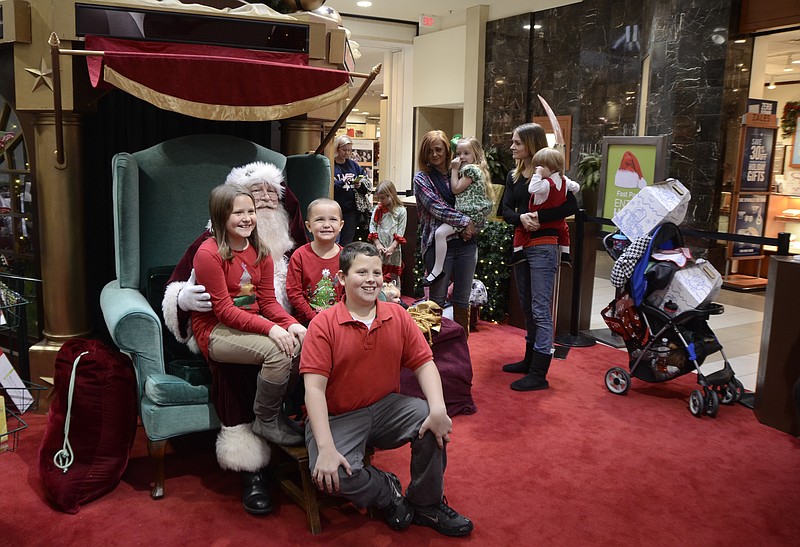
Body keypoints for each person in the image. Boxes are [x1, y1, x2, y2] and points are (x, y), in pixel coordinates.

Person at [161, 161, 306, 516]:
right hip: (224, 328)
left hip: (261, 323)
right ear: (224, 213)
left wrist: (294, 325)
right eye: (255, 194)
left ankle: (312, 438)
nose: (262, 204)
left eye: (270, 196)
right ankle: (251, 468)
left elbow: (277, 300)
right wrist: (182, 298)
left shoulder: (280, 245)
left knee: (305, 347)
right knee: (236, 368)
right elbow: (212, 305)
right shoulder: (209, 248)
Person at [301, 242, 474, 537]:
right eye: (361, 272)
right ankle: (386, 490)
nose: (371, 279)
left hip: (385, 407)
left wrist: (438, 409)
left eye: (377, 272)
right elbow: (314, 389)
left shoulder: (398, 315)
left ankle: (426, 505)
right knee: (333, 476)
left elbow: (424, 364)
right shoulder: (323, 324)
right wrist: (327, 448)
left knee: (433, 423)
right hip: (337, 417)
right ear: (342, 278)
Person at [192, 183, 307, 448]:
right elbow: (224, 311)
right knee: (278, 351)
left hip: (248, 322)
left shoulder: (262, 251)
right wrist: (271, 329)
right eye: (237, 213)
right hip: (216, 328)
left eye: (250, 211)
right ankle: (265, 419)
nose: (247, 219)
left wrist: (291, 324)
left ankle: (276, 412)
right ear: (222, 216)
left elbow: (267, 302)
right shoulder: (208, 254)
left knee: (301, 343)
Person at [501, 123, 578, 391]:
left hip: (544, 245)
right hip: (522, 244)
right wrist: (522, 217)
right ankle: (529, 360)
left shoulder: (552, 175)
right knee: (527, 307)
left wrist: (538, 218)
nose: (512, 147)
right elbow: (506, 209)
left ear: (531, 145)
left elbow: (571, 206)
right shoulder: (514, 176)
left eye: (517, 143)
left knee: (540, 309)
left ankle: (538, 372)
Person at [414, 130, 478, 337]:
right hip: (437, 244)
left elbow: (477, 201)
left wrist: (474, 223)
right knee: (436, 300)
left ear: (447, 151)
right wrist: (465, 221)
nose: (434, 154)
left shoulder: (463, 172)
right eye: (430, 151)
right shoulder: (421, 178)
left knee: (462, 300)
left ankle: (461, 351)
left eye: (439, 149)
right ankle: (431, 353)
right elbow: (436, 207)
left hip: (466, 244)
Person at [423, 136, 493, 286]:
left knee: (440, 233)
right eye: (459, 153)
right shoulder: (475, 169)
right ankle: (437, 269)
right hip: (468, 216)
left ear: (476, 154)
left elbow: (455, 189)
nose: (461, 157)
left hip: (468, 214)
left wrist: (454, 169)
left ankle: (437, 270)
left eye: (466, 153)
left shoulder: (469, 170)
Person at [286, 198, 345, 326]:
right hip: (307, 320)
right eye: (319, 219)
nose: (326, 225)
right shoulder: (299, 256)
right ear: (308, 226)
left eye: (333, 219)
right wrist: (313, 316)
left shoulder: (347, 256)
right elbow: (294, 292)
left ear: (341, 225)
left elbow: (350, 290)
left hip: (339, 318)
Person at [525, 147, 580, 267]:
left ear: (553, 167)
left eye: (540, 166)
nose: (537, 169)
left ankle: (517, 252)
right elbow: (576, 187)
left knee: (521, 231)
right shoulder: (564, 180)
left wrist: (537, 175)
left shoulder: (546, 183)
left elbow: (532, 189)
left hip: (542, 225)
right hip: (558, 222)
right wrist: (570, 190)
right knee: (564, 232)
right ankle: (565, 254)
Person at [368, 180, 407, 288]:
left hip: (393, 247)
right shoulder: (378, 209)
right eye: (379, 198)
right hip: (379, 246)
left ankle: (396, 294)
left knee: (394, 272)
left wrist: (392, 247)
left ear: (391, 195)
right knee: (377, 270)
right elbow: (372, 226)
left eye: (383, 198)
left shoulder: (401, 211)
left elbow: (400, 231)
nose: (381, 201)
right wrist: (377, 244)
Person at [332, 135, 370, 245]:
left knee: (347, 243)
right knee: (334, 241)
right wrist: (341, 183)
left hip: (351, 211)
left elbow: (366, 182)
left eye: (349, 150)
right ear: (337, 149)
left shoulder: (353, 165)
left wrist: (360, 185)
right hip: (335, 209)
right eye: (344, 150)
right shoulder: (331, 164)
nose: (347, 153)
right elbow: (329, 184)